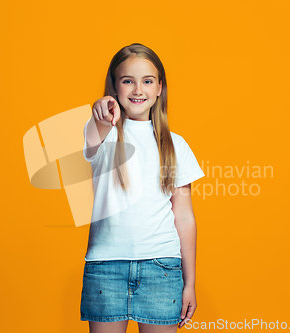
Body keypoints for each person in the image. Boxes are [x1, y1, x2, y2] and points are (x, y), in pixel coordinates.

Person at [81, 43, 205, 333]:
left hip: (162, 268)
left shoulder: (176, 145)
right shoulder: (102, 134)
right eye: (128, 81)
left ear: (160, 87)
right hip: (106, 267)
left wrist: (190, 283)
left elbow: (184, 217)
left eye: (147, 81)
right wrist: (101, 110)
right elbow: (94, 129)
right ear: (114, 86)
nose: (138, 90)